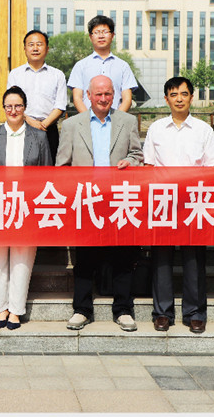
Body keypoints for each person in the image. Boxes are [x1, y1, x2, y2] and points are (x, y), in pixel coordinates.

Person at [56, 75, 144, 332]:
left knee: (123, 256)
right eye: (98, 94)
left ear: (114, 95)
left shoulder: (127, 121)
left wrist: (130, 162)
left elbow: (137, 155)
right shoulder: (71, 124)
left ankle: (123, 310)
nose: (103, 99)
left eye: (108, 94)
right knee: (85, 258)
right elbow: (62, 166)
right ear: (88, 96)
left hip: (120, 199)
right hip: (86, 200)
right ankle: (81, 310)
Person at [143, 76, 214, 334]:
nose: (179, 99)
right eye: (174, 94)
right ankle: (162, 313)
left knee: (194, 259)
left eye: (184, 94)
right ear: (166, 99)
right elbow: (148, 166)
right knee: (161, 259)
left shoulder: (203, 129)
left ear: (192, 97)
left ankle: (195, 313)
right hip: (163, 200)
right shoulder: (156, 128)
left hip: (194, 201)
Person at [0, 86, 52, 330]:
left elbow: (47, 175)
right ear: (3, 108)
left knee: (22, 258)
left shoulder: (38, 137)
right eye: (8, 106)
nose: (13, 110)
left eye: (18, 106)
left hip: (26, 205)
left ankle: (16, 310)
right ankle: (0, 307)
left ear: (25, 108)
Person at [6, 29, 68, 162]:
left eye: (39, 44)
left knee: (49, 167)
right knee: (22, 166)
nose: (35, 48)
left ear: (47, 49)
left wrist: (43, 125)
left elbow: (60, 105)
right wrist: (31, 122)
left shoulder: (57, 75)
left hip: (49, 130)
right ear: (25, 49)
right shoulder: (15, 74)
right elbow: (11, 104)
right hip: (22, 128)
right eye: (31, 45)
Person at [68, 15, 138, 113]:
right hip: (88, 120)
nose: (101, 36)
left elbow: (127, 99)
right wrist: (89, 119)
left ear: (112, 35)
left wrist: (116, 119)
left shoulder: (123, 66)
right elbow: (77, 98)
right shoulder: (80, 66)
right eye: (96, 32)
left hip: (116, 119)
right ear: (90, 36)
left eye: (105, 32)